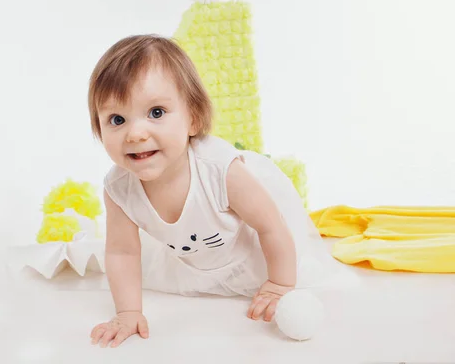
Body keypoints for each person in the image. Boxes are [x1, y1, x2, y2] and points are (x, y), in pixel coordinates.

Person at [87, 34, 347, 348]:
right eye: (117, 119)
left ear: (193, 118)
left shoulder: (219, 170)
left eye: (156, 112)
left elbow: (270, 226)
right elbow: (122, 251)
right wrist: (128, 312)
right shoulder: (119, 188)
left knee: (286, 258)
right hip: (191, 263)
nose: (137, 133)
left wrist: (279, 284)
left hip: (254, 257)